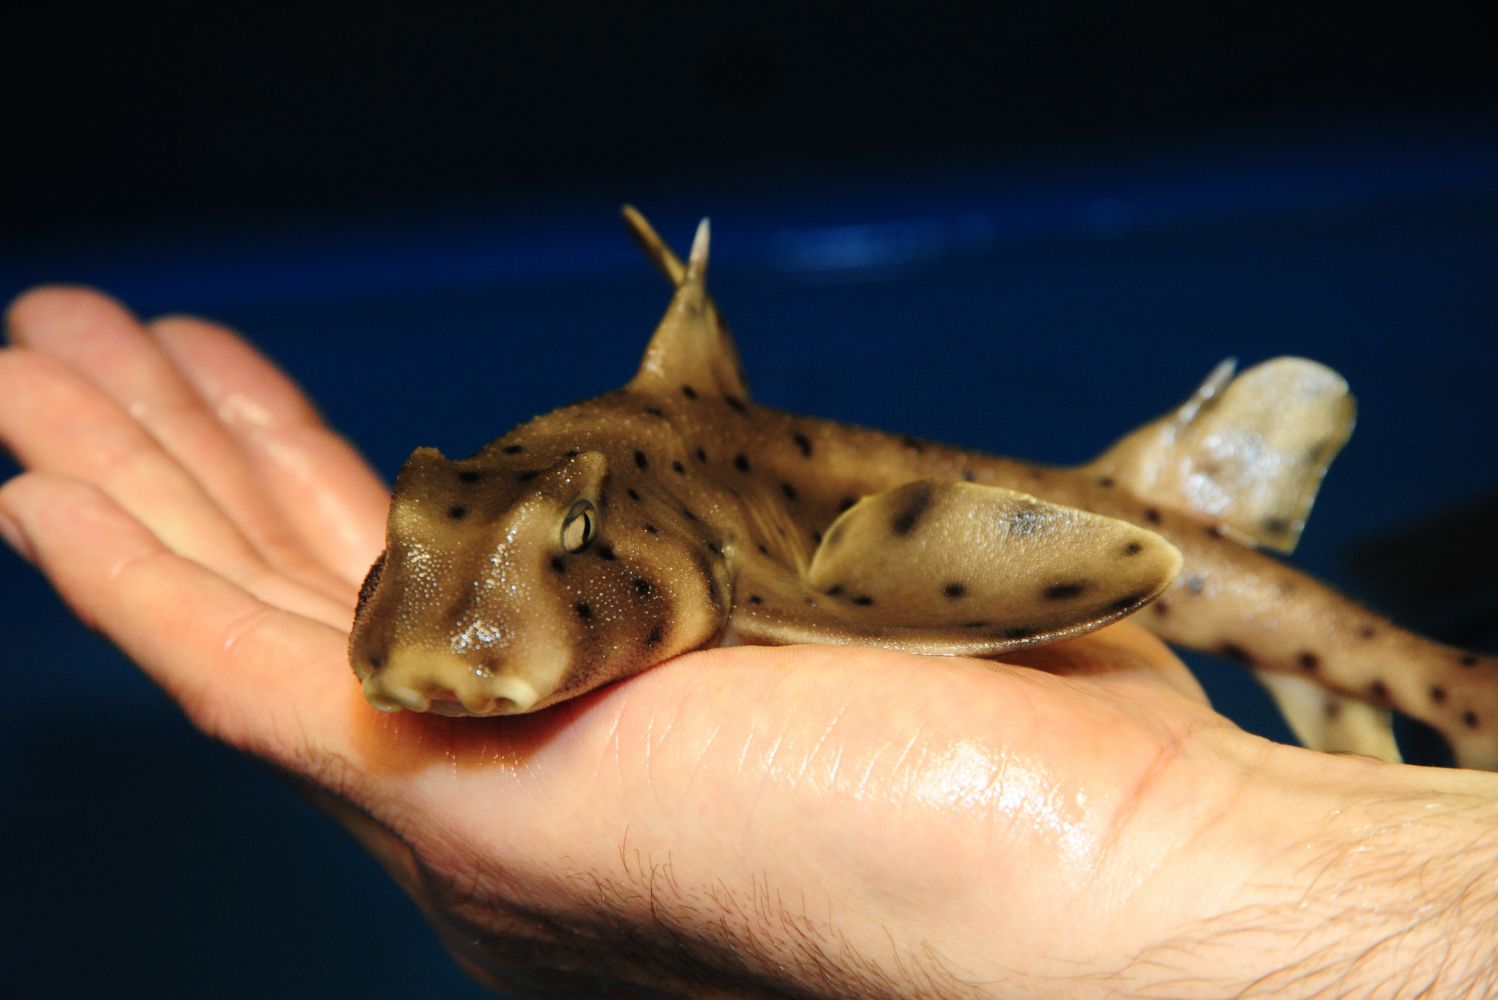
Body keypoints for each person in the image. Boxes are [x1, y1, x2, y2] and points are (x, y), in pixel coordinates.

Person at [2, 285, 1495, 999]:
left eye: (573, 572)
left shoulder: (720, 547)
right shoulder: (479, 538)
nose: (451, 647)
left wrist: (1173, 850)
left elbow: (1098, 567)